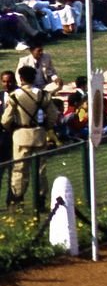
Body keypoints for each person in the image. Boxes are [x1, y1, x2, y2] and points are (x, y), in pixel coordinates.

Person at [3, 63, 55, 204]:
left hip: (21, 134)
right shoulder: (42, 95)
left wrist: (10, 128)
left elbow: (5, 119)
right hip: (39, 134)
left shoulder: (15, 96)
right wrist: (47, 127)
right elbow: (52, 116)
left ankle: (17, 198)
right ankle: (41, 198)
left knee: (20, 170)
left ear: (21, 78)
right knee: (40, 170)